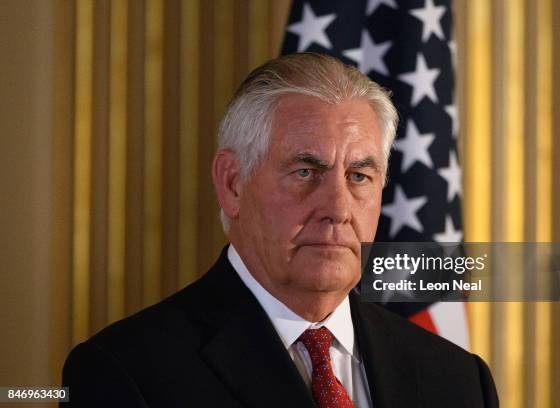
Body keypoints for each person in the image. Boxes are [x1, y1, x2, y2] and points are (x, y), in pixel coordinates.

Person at [62, 53, 498, 408]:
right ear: (232, 183)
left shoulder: (459, 380)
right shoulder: (123, 374)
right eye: (306, 171)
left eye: (359, 176)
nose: (338, 209)